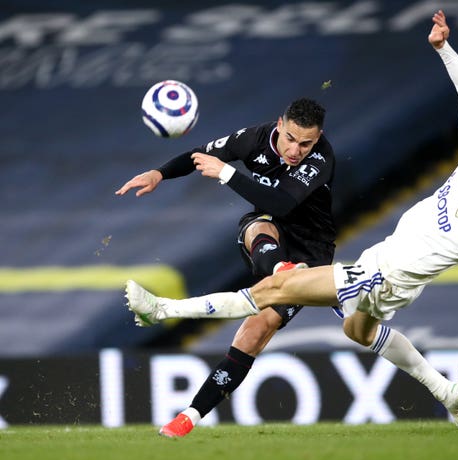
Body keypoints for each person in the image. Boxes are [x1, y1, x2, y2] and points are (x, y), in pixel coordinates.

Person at [125, 10, 458, 429]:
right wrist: (444, 48)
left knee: (271, 293)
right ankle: (447, 393)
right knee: (359, 331)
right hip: (383, 262)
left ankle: (162, 309)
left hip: (372, 270)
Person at [116, 97, 339, 437]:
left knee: (255, 332)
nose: (296, 150)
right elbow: (198, 155)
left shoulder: (321, 158)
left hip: (313, 251)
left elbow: (281, 200)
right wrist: (160, 173)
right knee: (257, 226)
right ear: (280, 125)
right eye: (291, 138)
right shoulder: (253, 139)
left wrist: (227, 174)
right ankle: (280, 271)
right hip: (273, 234)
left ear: (317, 137)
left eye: (305, 143)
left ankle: (191, 414)